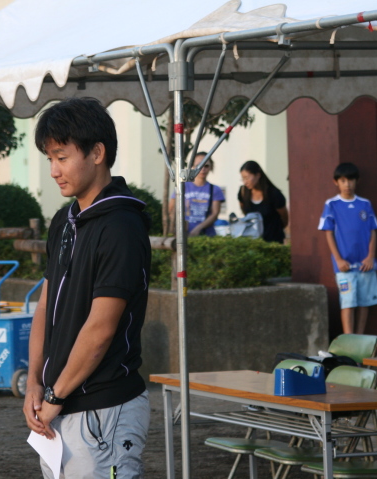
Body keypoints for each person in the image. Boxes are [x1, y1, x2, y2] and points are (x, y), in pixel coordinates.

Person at [23, 98, 151, 478]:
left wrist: (54, 394)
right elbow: (45, 307)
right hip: (56, 409)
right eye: (50, 159)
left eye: (62, 157)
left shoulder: (122, 225)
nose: (54, 171)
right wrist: (34, 383)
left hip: (103, 410)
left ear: (97, 153)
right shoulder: (64, 221)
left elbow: (100, 329)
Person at [318, 162, 377, 335]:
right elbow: (329, 233)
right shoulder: (332, 204)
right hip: (344, 266)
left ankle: (359, 339)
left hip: (365, 265)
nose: (347, 184)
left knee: (364, 303)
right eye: (343, 181)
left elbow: (372, 231)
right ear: (336, 182)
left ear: (357, 181)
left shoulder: (365, 204)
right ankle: (349, 339)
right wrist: (338, 259)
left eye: (351, 180)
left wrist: (370, 256)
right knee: (348, 304)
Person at [167, 152, 225, 236]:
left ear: (211, 167)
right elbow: (171, 209)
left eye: (206, 166)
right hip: (183, 234)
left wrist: (199, 228)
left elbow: (215, 214)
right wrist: (179, 226)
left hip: (206, 235)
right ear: (192, 166)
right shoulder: (182, 186)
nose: (203, 169)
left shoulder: (215, 189)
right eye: (199, 165)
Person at [237, 160, 289, 243]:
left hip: (273, 241)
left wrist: (276, 229)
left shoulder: (273, 194)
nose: (245, 182)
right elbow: (245, 212)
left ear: (258, 175)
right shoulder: (243, 192)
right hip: (253, 241)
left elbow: (284, 218)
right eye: (243, 179)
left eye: (247, 178)